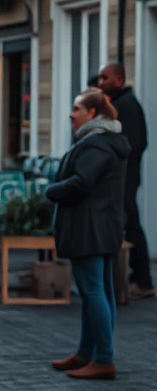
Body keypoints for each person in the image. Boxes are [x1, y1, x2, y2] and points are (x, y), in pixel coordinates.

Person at [46, 90, 129, 381]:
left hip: (89, 227)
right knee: (99, 290)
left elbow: (82, 182)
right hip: (101, 226)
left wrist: (51, 191)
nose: (71, 113)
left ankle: (103, 359)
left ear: (92, 114)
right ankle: (86, 353)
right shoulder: (105, 142)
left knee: (94, 291)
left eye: (77, 108)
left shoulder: (95, 144)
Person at [97, 62, 153, 299]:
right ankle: (136, 278)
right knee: (128, 224)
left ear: (119, 80)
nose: (101, 82)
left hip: (124, 178)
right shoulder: (121, 104)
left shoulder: (125, 106)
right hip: (123, 176)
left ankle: (142, 280)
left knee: (130, 224)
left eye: (105, 78)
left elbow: (129, 144)